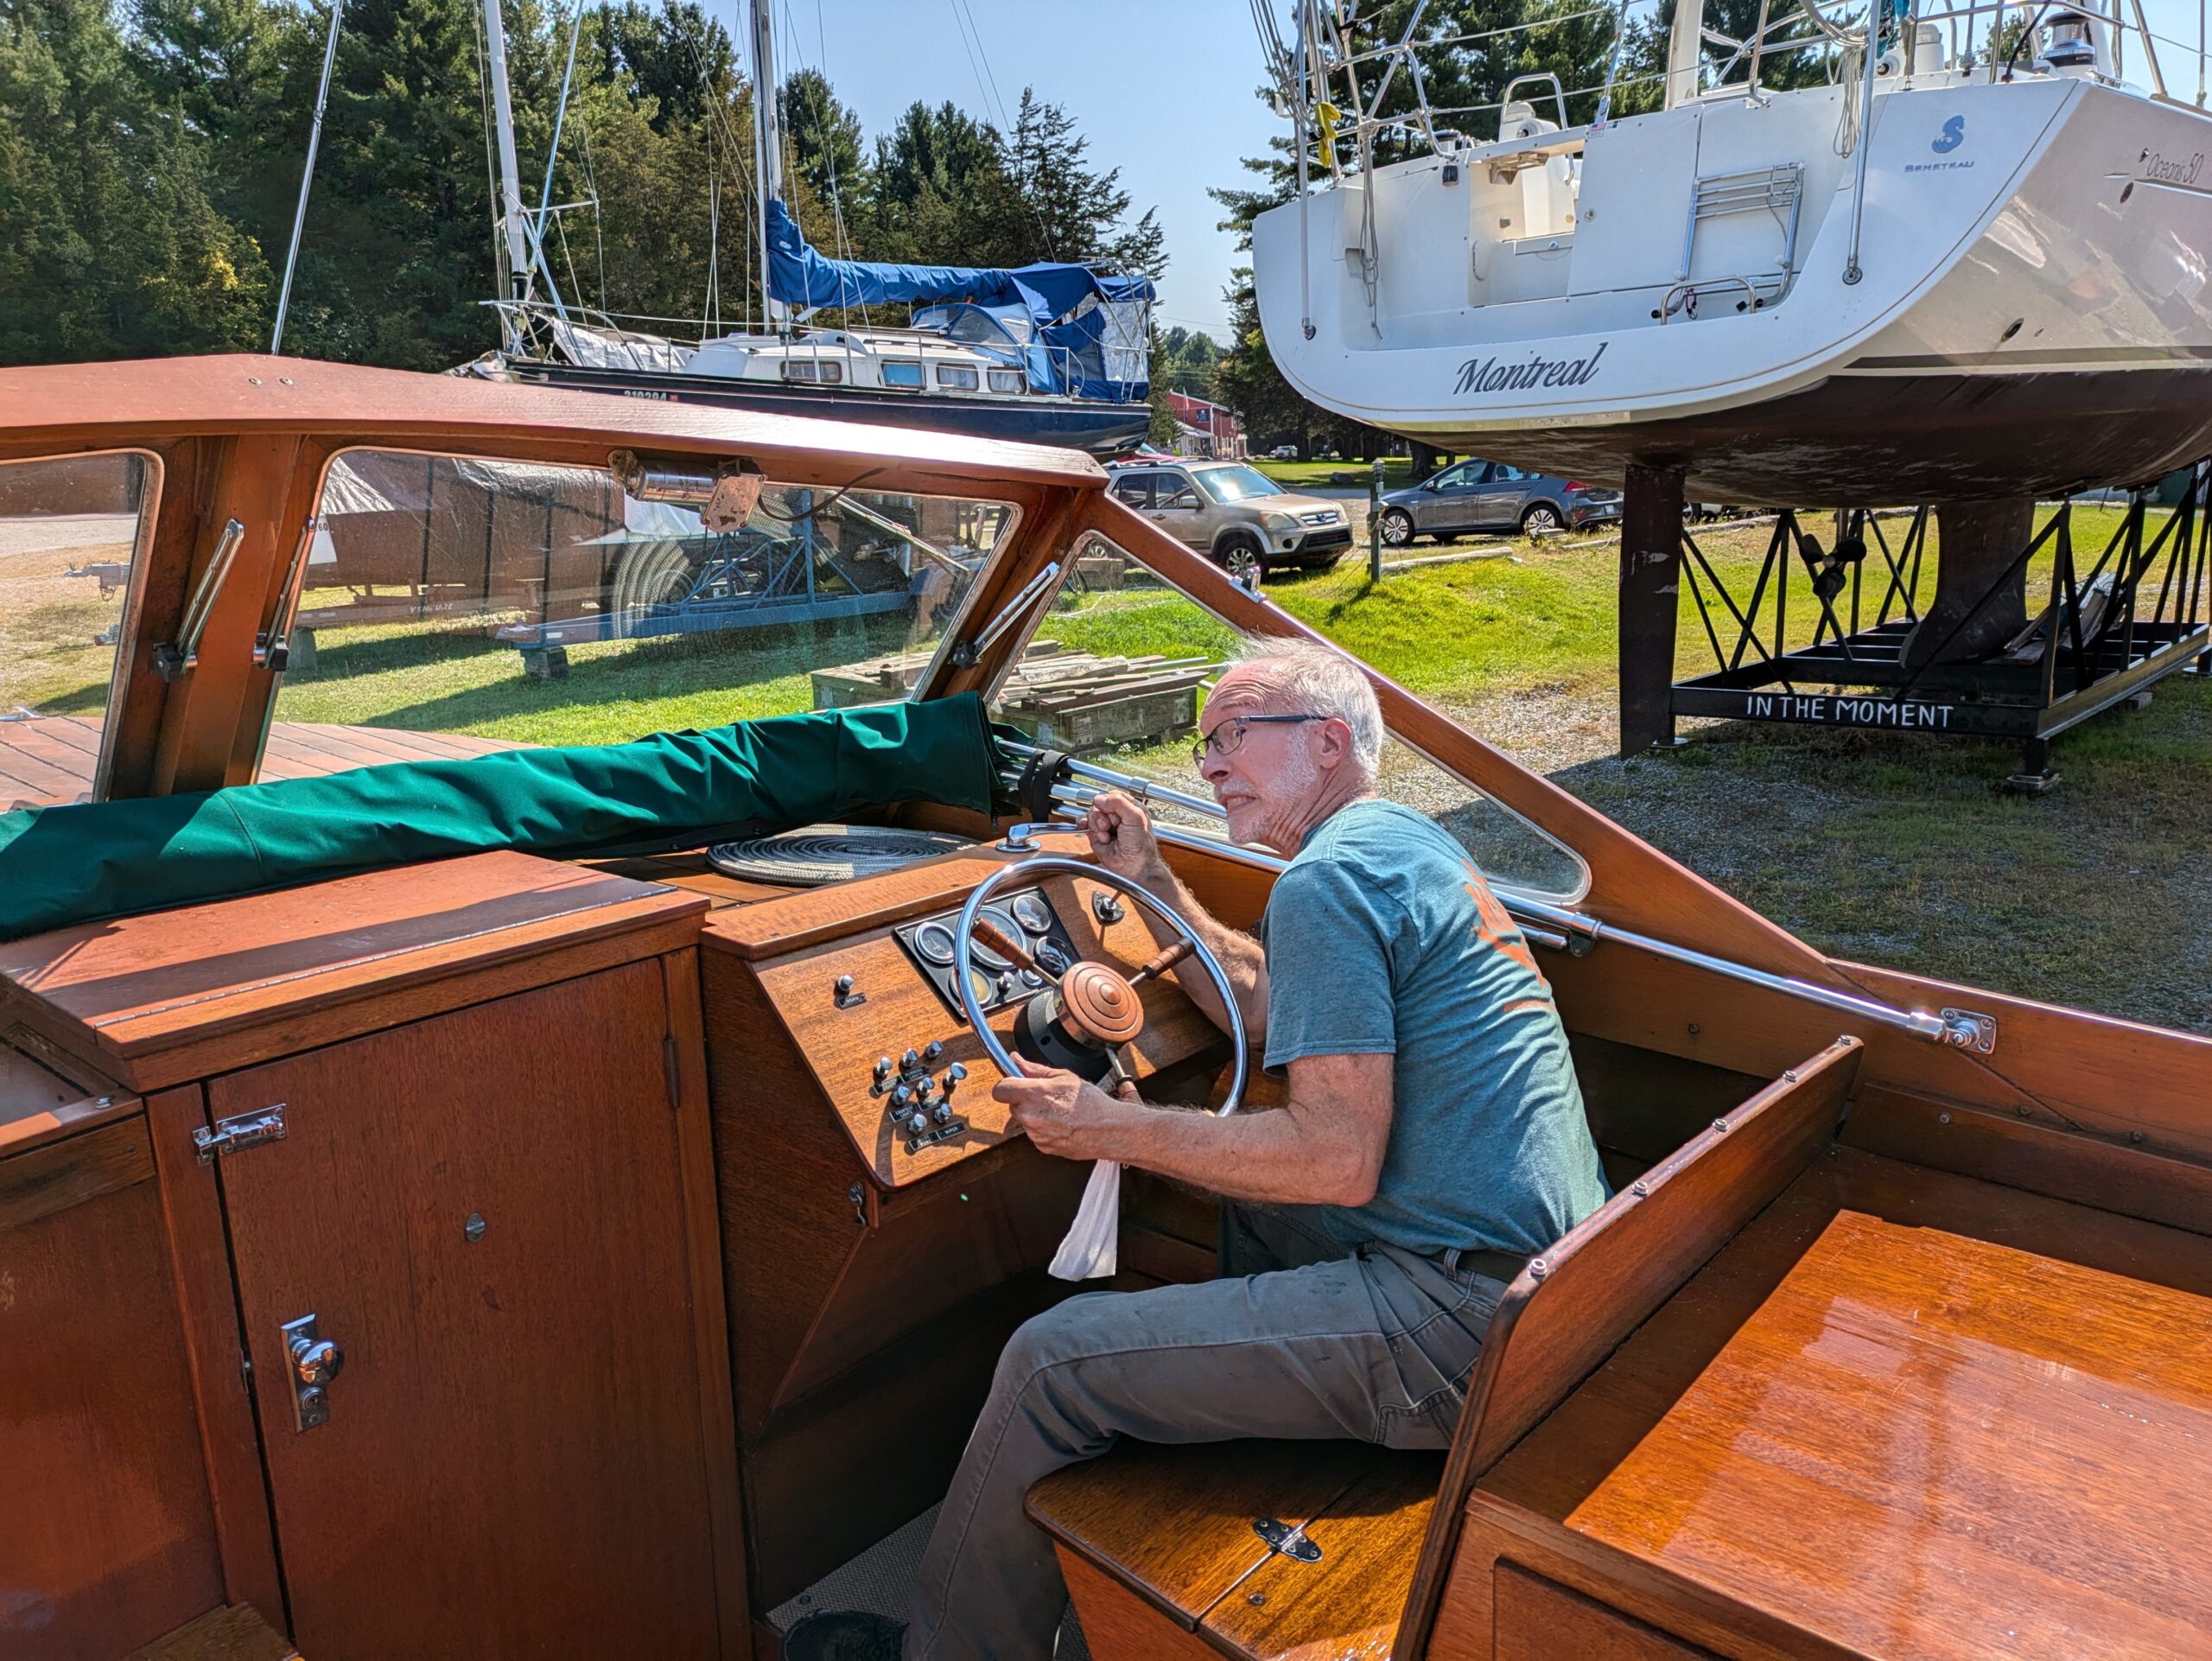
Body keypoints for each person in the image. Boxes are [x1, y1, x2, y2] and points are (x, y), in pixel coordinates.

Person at [782, 641, 1608, 1661]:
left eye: (1231, 737)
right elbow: (1264, 1004)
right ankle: (1206, 1436)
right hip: (1550, 1288)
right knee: (1247, 1198)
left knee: (1047, 1360)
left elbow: (1335, 1161)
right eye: (1204, 743)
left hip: (1460, 1328)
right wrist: (1151, 878)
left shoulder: (1328, 880)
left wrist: (1107, 1127)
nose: (1208, 763)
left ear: (1328, 740)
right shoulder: (1398, 843)